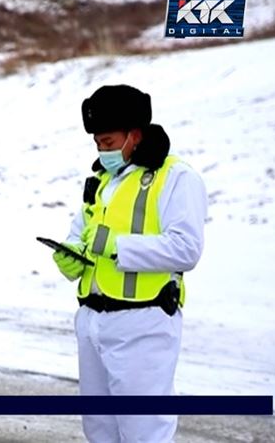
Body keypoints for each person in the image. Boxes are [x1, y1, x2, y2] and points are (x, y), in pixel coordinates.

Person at [52, 85, 207, 442]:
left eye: (108, 143)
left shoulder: (177, 178)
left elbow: (186, 249)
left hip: (143, 323)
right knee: (100, 429)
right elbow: (82, 233)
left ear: (134, 136)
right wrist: (70, 256)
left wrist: (117, 247)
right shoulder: (103, 180)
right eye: (97, 144)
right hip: (93, 319)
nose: (102, 151)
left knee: (143, 430)